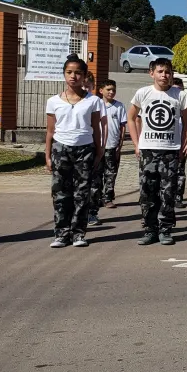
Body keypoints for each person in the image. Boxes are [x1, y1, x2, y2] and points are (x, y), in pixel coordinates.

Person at [128, 58, 187, 246]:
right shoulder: (143, 93)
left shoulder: (179, 95)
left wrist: (186, 143)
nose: (164, 75)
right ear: (152, 73)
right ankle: (150, 230)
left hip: (170, 152)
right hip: (148, 150)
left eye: (167, 72)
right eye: (160, 71)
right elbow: (131, 118)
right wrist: (136, 143)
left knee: (167, 193)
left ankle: (165, 229)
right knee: (147, 193)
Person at [45, 56, 104, 248]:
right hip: (60, 149)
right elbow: (50, 131)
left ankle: (79, 233)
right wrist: (47, 155)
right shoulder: (53, 101)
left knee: (82, 193)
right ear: (64, 74)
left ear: (85, 76)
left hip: (85, 149)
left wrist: (99, 152)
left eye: (78, 73)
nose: (73, 76)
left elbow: (97, 128)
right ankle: (61, 233)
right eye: (69, 72)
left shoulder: (93, 101)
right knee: (61, 193)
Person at [88, 79, 127, 225]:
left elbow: (122, 127)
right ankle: (95, 199)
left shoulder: (119, 106)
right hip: (98, 146)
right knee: (96, 175)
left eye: (113, 90)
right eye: (108, 89)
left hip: (112, 145)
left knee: (111, 174)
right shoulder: (96, 105)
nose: (111, 92)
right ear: (101, 90)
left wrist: (119, 145)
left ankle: (108, 197)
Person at [171, 77, 187, 210]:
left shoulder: (185, 103)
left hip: (180, 142)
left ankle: (178, 196)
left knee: (180, 172)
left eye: (180, 89)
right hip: (167, 142)